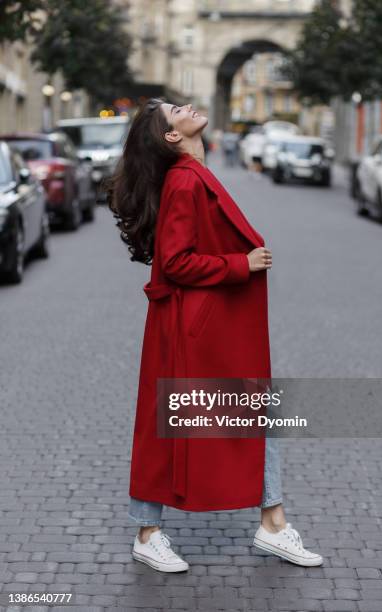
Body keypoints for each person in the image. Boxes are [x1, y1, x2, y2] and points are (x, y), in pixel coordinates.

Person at [106, 98, 323, 573]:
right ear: (171, 135)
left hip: (205, 325)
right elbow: (176, 260)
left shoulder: (193, 172)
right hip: (194, 329)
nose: (188, 106)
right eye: (175, 110)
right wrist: (239, 264)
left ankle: (272, 523)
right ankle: (152, 533)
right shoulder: (185, 179)